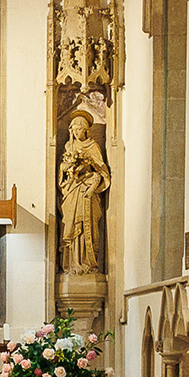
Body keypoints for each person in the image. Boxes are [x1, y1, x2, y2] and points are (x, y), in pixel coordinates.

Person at [58, 107, 111, 276]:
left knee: (88, 226)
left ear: (86, 130)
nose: (76, 131)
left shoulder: (93, 146)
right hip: (72, 190)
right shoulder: (68, 146)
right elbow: (62, 172)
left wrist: (91, 177)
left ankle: (88, 263)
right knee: (70, 224)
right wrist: (68, 167)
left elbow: (101, 170)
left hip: (87, 191)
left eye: (79, 128)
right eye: (74, 128)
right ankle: (71, 263)